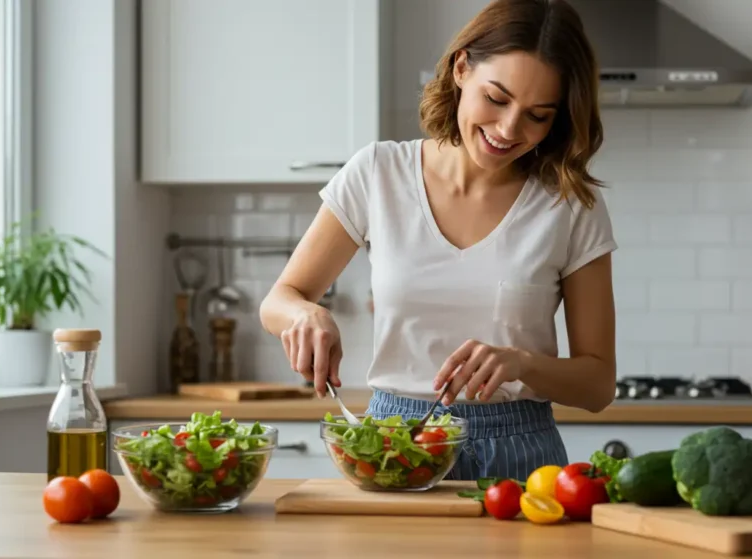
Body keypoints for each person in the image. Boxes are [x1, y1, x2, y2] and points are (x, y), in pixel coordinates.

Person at [259, 0, 617, 481]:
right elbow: (279, 300)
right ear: (461, 68)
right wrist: (305, 313)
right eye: (497, 98)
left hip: (519, 457)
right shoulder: (378, 172)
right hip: (394, 445)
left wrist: (521, 363)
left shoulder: (570, 205)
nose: (508, 129)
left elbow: (598, 385)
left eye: (538, 115)